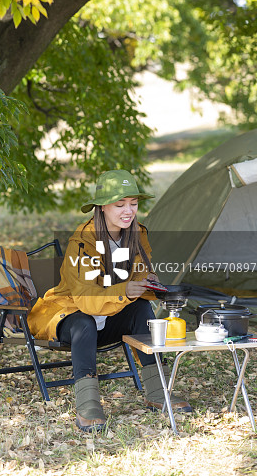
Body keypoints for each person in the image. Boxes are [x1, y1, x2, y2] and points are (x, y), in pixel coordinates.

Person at [27, 169, 192, 432]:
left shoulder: (136, 233)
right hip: (70, 318)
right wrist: (124, 291)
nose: (129, 211)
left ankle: (157, 392)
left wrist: (152, 285)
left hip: (111, 317)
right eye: (120, 204)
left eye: (134, 204)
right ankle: (88, 405)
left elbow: (138, 274)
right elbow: (84, 298)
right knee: (84, 323)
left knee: (141, 308)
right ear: (102, 207)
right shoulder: (83, 242)